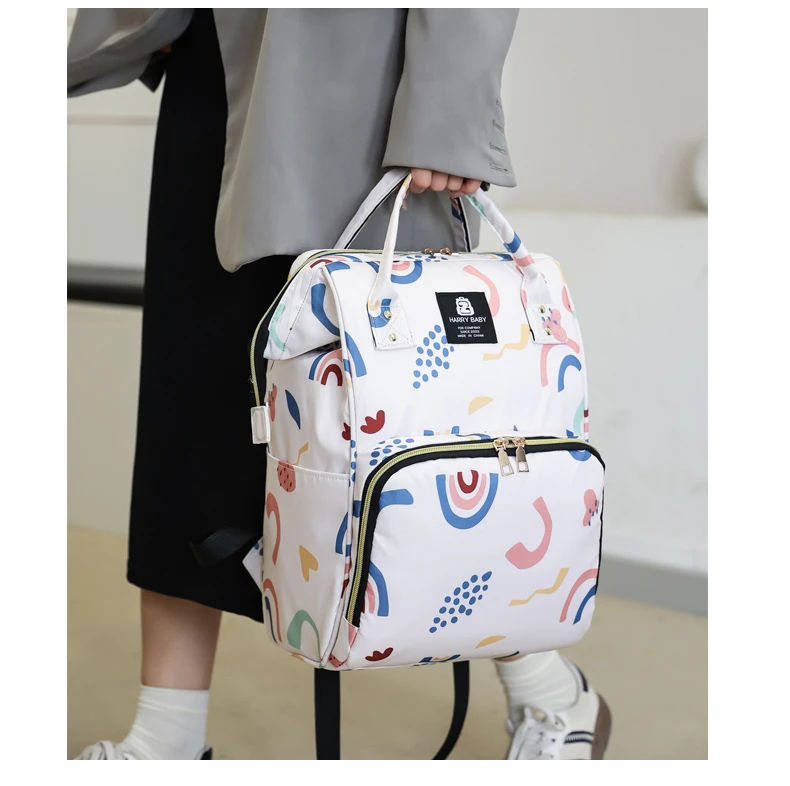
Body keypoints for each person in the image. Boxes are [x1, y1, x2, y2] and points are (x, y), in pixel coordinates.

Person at [67, 8, 611, 761]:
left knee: (409, 438)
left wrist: (450, 106)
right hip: (214, 68)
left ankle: (550, 690)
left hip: (359, 88)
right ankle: (165, 740)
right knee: (190, 420)